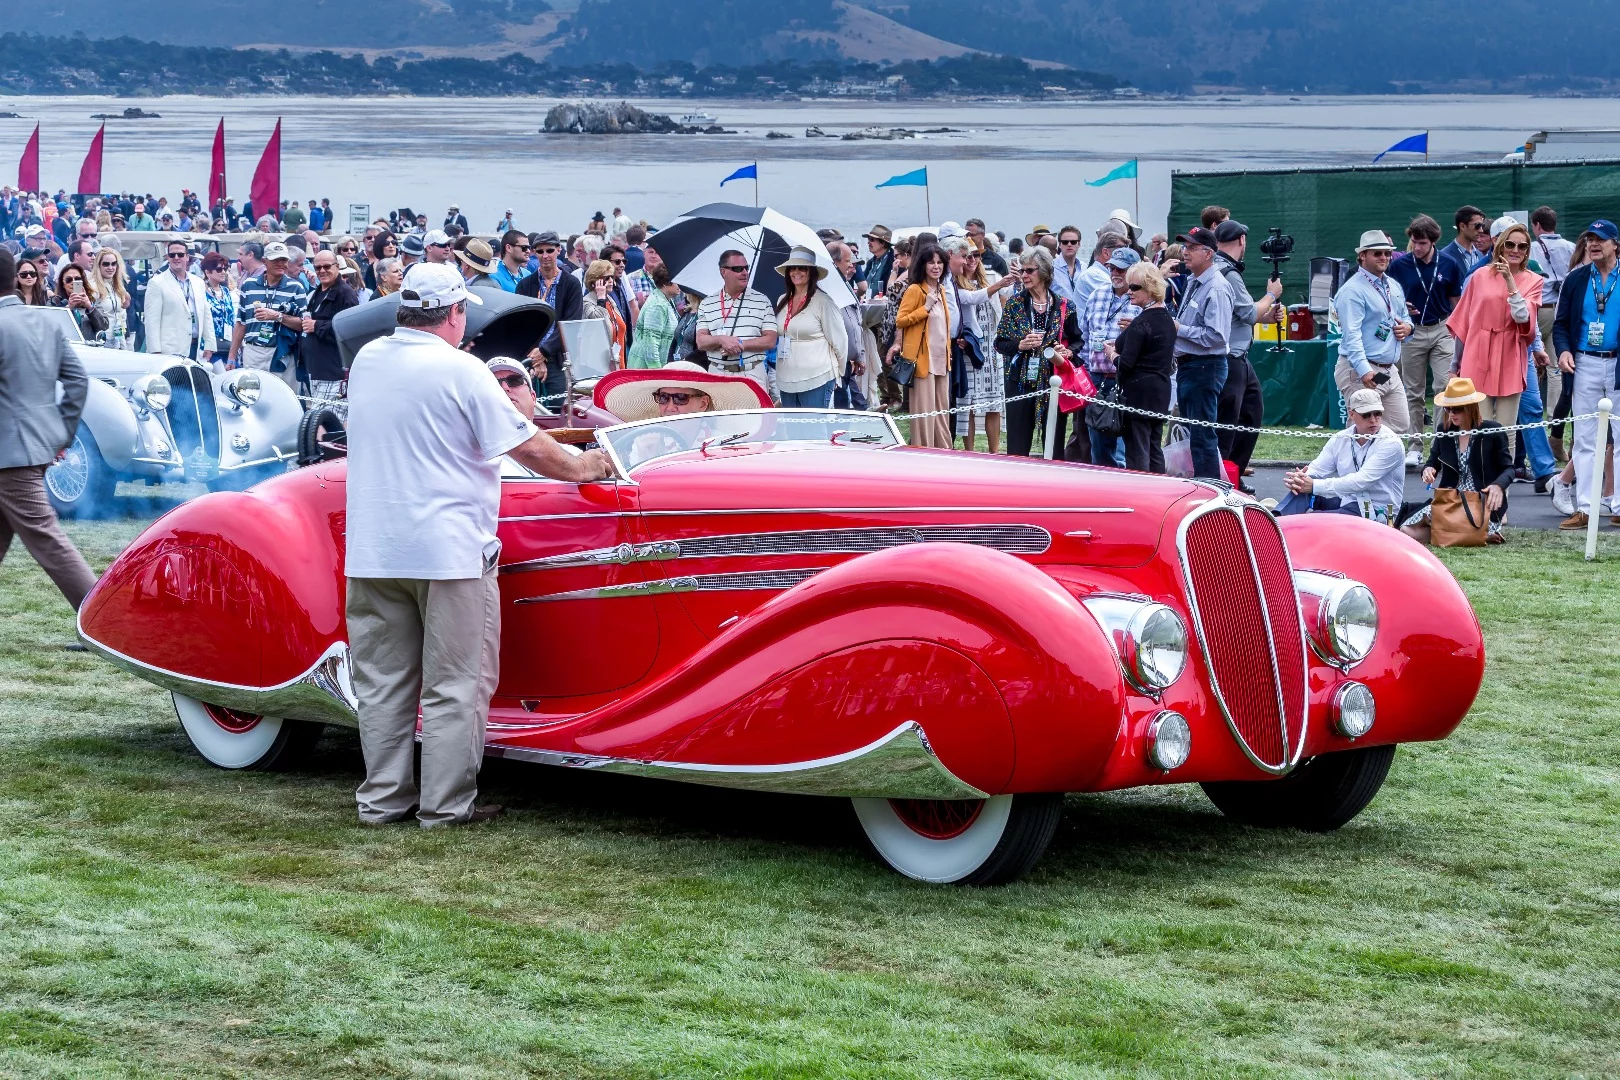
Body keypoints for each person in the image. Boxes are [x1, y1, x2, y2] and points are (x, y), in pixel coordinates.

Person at [344, 263, 613, 829]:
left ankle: (381, 800)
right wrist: (587, 465)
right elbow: (530, 448)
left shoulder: (367, 361)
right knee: (456, 682)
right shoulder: (462, 370)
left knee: (384, 683)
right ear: (455, 313)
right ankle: (445, 806)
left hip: (372, 548)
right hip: (448, 551)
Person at [0, 249, 97, 612]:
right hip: (32, 448)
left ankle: (106, 624)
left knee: (48, 541)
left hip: (10, 456)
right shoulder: (44, 321)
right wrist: (61, 435)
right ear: (13, 278)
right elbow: (77, 381)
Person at [1447, 221, 1541, 457]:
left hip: (1510, 353)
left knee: (1506, 430)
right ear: (1500, 245)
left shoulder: (1533, 281)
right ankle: (1481, 486)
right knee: (1480, 426)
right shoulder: (1478, 276)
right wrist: (1454, 365)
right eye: (1510, 244)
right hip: (1477, 353)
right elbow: (1464, 324)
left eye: (1522, 246)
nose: (1515, 250)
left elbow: (1523, 317)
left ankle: (1502, 487)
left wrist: (1510, 281)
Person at [1550, 219, 1620, 530]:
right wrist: (1564, 350)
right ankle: (1586, 508)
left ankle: (1618, 506)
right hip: (1584, 362)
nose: (1593, 244)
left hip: (1618, 363)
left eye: (1600, 240)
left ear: (1615, 244)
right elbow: (1561, 324)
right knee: (1586, 439)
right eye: (1590, 239)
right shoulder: (1576, 279)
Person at [1389, 214, 1466, 464]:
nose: (1416, 247)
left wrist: (1456, 329)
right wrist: (1401, 311)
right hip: (1413, 331)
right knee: (1414, 391)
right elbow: (1390, 299)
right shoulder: (1399, 266)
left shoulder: (1450, 263)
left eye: (1421, 242)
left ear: (1432, 241)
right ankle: (1415, 446)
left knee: (1444, 387)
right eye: (1413, 241)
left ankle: (1440, 445)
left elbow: (1457, 302)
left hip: (1443, 327)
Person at [995, 245, 1083, 458]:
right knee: (1017, 444)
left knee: (1053, 443)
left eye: (1029, 270)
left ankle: (1054, 486)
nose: (1024, 275)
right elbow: (1000, 343)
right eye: (1022, 271)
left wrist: (1067, 351)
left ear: (1043, 272)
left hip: (1053, 381)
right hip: (1020, 382)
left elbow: (1077, 341)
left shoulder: (1064, 306)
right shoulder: (1015, 304)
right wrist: (1020, 344)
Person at [1401, 378, 1512, 544]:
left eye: (1457, 409)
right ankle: (1471, 535)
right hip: (1450, 499)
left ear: (1471, 408)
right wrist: (1428, 470)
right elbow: (1432, 461)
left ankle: (1459, 532)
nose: (1452, 414)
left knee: (1425, 530)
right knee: (1406, 530)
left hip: (1479, 501)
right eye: (1448, 408)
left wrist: (1498, 485)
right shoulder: (1444, 431)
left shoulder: (1492, 430)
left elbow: (1509, 469)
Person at [1212, 220, 1282, 479]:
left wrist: (1266, 316)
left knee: (1251, 411)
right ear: (1242, 241)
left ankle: (1232, 473)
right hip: (1230, 357)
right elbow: (1248, 312)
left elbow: (1239, 313)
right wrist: (1271, 295)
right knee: (1230, 422)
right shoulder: (1228, 272)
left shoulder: (1217, 268)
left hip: (1235, 356)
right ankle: (1225, 478)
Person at [1332, 230, 1414, 438]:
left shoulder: (1392, 285)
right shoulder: (1352, 291)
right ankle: (1355, 469)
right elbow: (1351, 335)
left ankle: (1376, 467)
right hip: (1364, 368)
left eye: (1387, 253)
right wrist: (1364, 370)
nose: (1384, 258)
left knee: (1399, 425)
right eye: (1377, 253)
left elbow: (1405, 316)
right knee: (1362, 431)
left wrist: (1408, 328)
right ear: (1362, 256)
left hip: (1388, 370)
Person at [1278, 388, 1405, 520]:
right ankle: (1276, 518)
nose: (1373, 420)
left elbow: (1360, 482)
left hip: (1377, 510)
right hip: (1346, 501)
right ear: (1351, 414)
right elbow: (1318, 468)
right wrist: (1301, 477)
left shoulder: (1391, 444)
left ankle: (1281, 524)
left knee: (1312, 519)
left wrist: (1314, 485)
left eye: (1377, 413)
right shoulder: (1341, 438)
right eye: (1366, 414)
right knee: (1301, 487)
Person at [1170, 227, 1236, 478]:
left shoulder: (1216, 287)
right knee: (1194, 434)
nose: (1185, 253)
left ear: (1208, 253)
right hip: (1192, 367)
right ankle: (1199, 485)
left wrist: (1179, 328)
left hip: (1205, 367)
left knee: (1202, 435)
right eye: (1185, 247)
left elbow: (1217, 336)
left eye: (1191, 248)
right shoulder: (1194, 281)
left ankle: (1210, 490)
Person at [1074, 247, 1140, 466]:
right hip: (1097, 377)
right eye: (1112, 267)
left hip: (1126, 378)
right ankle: (1103, 489)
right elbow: (1084, 334)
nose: (1115, 273)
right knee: (1098, 442)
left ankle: (1123, 490)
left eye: (1121, 269)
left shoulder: (1142, 298)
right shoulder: (1098, 294)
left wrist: (1138, 327)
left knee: (1122, 444)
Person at [1109, 262, 1176, 473]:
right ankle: (1159, 493)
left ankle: (1142, 496)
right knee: (1154, 447)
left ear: (1150, 288)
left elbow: (1126, 364)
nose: (1129, 291)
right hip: (1160, 393)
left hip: (1138, 395)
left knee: (1138, 450)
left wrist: (1112, 354)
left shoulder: (1142, 322)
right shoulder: (1167, 318)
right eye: (1130, 286)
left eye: (1135, 287)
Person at [950, 238, 1011, 453]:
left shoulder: (990, 278)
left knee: (994, 401)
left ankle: (994, 451)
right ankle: (970, 451)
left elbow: (1007, 301)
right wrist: (1000, 285)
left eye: (977, 255)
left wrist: (1015, 278)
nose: (973, 260)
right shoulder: (954, 283)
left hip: (992, 346)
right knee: (970, 402)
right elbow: (972, 298)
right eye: (968, 256)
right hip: (971, 347)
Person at [896, 246, 959, 448]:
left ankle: (944, 450)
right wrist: (925, 308)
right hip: (923, 360)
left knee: (941, 411)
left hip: (942, 359)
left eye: (939, 262)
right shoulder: (915, 290)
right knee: (925, 413)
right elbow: (901, 320)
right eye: (931, 262)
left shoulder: (941, 289)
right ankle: (923, 452)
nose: (936, 266)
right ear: (922, 265)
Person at [772, 245, 847, 409]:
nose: (796, 272)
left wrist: (838, 374)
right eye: (792, 268)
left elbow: (840, 342)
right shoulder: (782, 300)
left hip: (817, 377)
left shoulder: (824, 302)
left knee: (815, 430)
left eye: (802, 268)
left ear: (811, 272)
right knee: (791, 431)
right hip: (787, 378)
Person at [695, 249, 778, 393]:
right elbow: (701, 341)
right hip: (717, 374)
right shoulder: (707, 303)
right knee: (719, 416)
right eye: (738, 269)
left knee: (754, 417)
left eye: (746, 267)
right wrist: (721, 340)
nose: (745, 272)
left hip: (752, 374)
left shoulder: (762, 300)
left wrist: (740, 345)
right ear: (723, 272)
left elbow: (770, 340)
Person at [229, 241, 308, 392]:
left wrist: (277, 316)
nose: (280, 264)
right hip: (253, 351)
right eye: (275, 260)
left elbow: (304, 324)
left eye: (284, 260)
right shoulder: (248, 285)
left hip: (282, 352)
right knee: (251, 398)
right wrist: (232, 357)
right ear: (265, 261)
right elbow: (241, 323)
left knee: (283, 399)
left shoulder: (296, 287)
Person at [516, 231, 584, 402]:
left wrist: (544, 352)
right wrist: (537, 358)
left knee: (557, 411)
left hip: (559, 358)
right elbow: (521, 324)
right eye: (540, 251)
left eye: (549, 250)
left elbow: (571, 323)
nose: (545, 255)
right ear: (533, 253)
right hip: (530, 358)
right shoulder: (525, 285)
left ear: (558, 250)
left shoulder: (571, 284)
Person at [300, 249, 360, 402]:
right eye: (318, 268)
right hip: (316, 369)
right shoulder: (318, 291)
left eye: (327, 266)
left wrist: (317, 326)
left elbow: (351, 330)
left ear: (337, 267)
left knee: (325, 420)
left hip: (334, 373)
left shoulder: (345, 294)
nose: (322, 271)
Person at [144, 239, 215, 362]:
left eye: (180, 255)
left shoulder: (198, 282)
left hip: (195, 347)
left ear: (187, 257)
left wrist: (210, 343)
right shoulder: (156, 283)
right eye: (172, 255)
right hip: (169, 350)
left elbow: (206, 314)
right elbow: (151, 320)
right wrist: (155, 351)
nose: (176, 258)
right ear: (168, 258)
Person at [627, 264, 681, 369]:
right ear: (665, 284)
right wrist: (657, 372)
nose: (680, 285)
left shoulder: (665, 299)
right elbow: (651, 344)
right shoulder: (658, 305)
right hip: (646, 369)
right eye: (676, 281)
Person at [582, 259, 628, 368]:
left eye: (612, 277)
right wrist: (601, 298)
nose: (611, 280)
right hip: (599, 366)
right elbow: (598, 323)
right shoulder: (587, 302)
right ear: (594, 282)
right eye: (606, 278)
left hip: (618, 364)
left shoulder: (611, 301)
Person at [198, 252, 236, 370]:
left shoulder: (225, 291)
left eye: (224, 269)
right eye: (219, 269)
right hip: (208, 348)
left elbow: (231, 319)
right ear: (207, 272)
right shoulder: (200, 290)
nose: (223, 272)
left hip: (227, 345)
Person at [50, 263, 108, 339]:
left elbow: (103, 327)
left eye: (77, 279)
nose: (73, 282)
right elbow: (51, 327)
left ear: (83, 281)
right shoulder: (54, 301)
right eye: (68, 279)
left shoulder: (92, 300)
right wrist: (68, 308)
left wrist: (90, 307)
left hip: (89, 347)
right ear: (62, 283)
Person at [91, 247, 131, 348]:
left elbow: (121, 317)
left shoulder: (118, 286)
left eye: (114, 264)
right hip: (99, 344)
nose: (110, 267)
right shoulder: (92, 286)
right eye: (106, 264)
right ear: (98, 265)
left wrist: (124, 346)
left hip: (117, 342)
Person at [1442, 205, 1490, 278]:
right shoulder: (1446, 257)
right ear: (1462, 226)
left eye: (1482, 226)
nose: (1481, 230)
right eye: (1477, 226)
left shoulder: (1481, 254)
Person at [863, 225, 894, 299]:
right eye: (868, 239)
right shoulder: (870, 262)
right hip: (870, 304)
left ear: (883, 243)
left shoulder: (893, 261)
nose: (868, 243)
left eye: (872, 240)